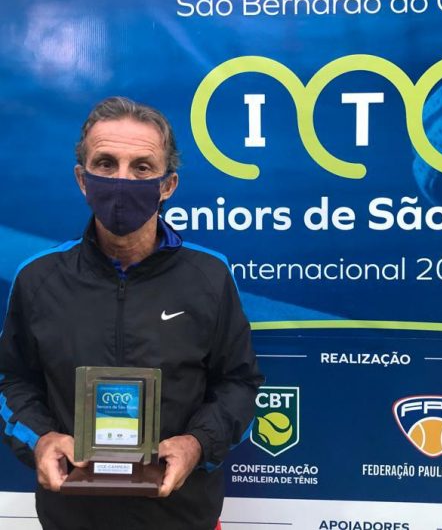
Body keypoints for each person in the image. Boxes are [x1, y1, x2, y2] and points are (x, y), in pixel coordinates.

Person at [0, 96, 263, 530]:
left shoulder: (209, 277)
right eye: (105, 164)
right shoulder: (38, 279)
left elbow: (239, 384)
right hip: (71, 517)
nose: (122, 180)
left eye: (142, 167)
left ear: (167, 185)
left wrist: (197, 444)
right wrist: (41, 440)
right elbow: (11, 381)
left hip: (182, 516)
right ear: (82, 180)